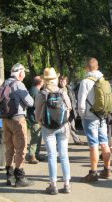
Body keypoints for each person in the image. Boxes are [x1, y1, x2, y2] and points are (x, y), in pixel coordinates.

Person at [35, 67, 72, 195]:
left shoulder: (42, 94)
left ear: (45, 80)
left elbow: (37, 114)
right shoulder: (62, 92)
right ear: (55, 79)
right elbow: (69, 107)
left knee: (52, 155)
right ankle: (67, 184)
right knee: (64, 155)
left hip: (48, 128)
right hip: (63, 127)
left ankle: (53, 185)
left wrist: (41, 122)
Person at [77, 57, 112, 182]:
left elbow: (81, 103)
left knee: (93, 145)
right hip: (102, 116)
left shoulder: (85, 82)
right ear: (97, 67)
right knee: (104, 143)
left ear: (87, 68)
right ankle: (107, 170)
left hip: (90, 117)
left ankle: (93, 173)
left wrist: (82, 115)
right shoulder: (102, 79)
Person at [3, 63, 34, 187]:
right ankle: (20, 177)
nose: (24, 75)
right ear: (20, 73)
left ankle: (9, 175)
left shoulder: (4, 83)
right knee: (21, 147)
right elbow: (30, 102)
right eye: (24, 73)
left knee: (9, 147)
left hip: (5, 120)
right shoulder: (19, 84)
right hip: (18, 119)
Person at [59, 75, 85, 145]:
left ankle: (76, 140)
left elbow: (73, 99)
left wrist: (75, 108)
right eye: (61, 80)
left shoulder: (69, 88)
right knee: (64, 127)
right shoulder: (58, 89)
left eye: (63, 81)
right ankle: (63, 142)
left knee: (72, 126)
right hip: (62, 111)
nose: (62, 82)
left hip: (71, 110)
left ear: (66, 82)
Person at [27, 76, 44, 164]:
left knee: (39, 136)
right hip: (35, 118)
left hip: (36, 117)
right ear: (40, 82)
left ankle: (36, 154)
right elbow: (35, 105)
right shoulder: (35, 91)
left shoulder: (35, 90)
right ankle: (31, 155)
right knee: (35, 137)